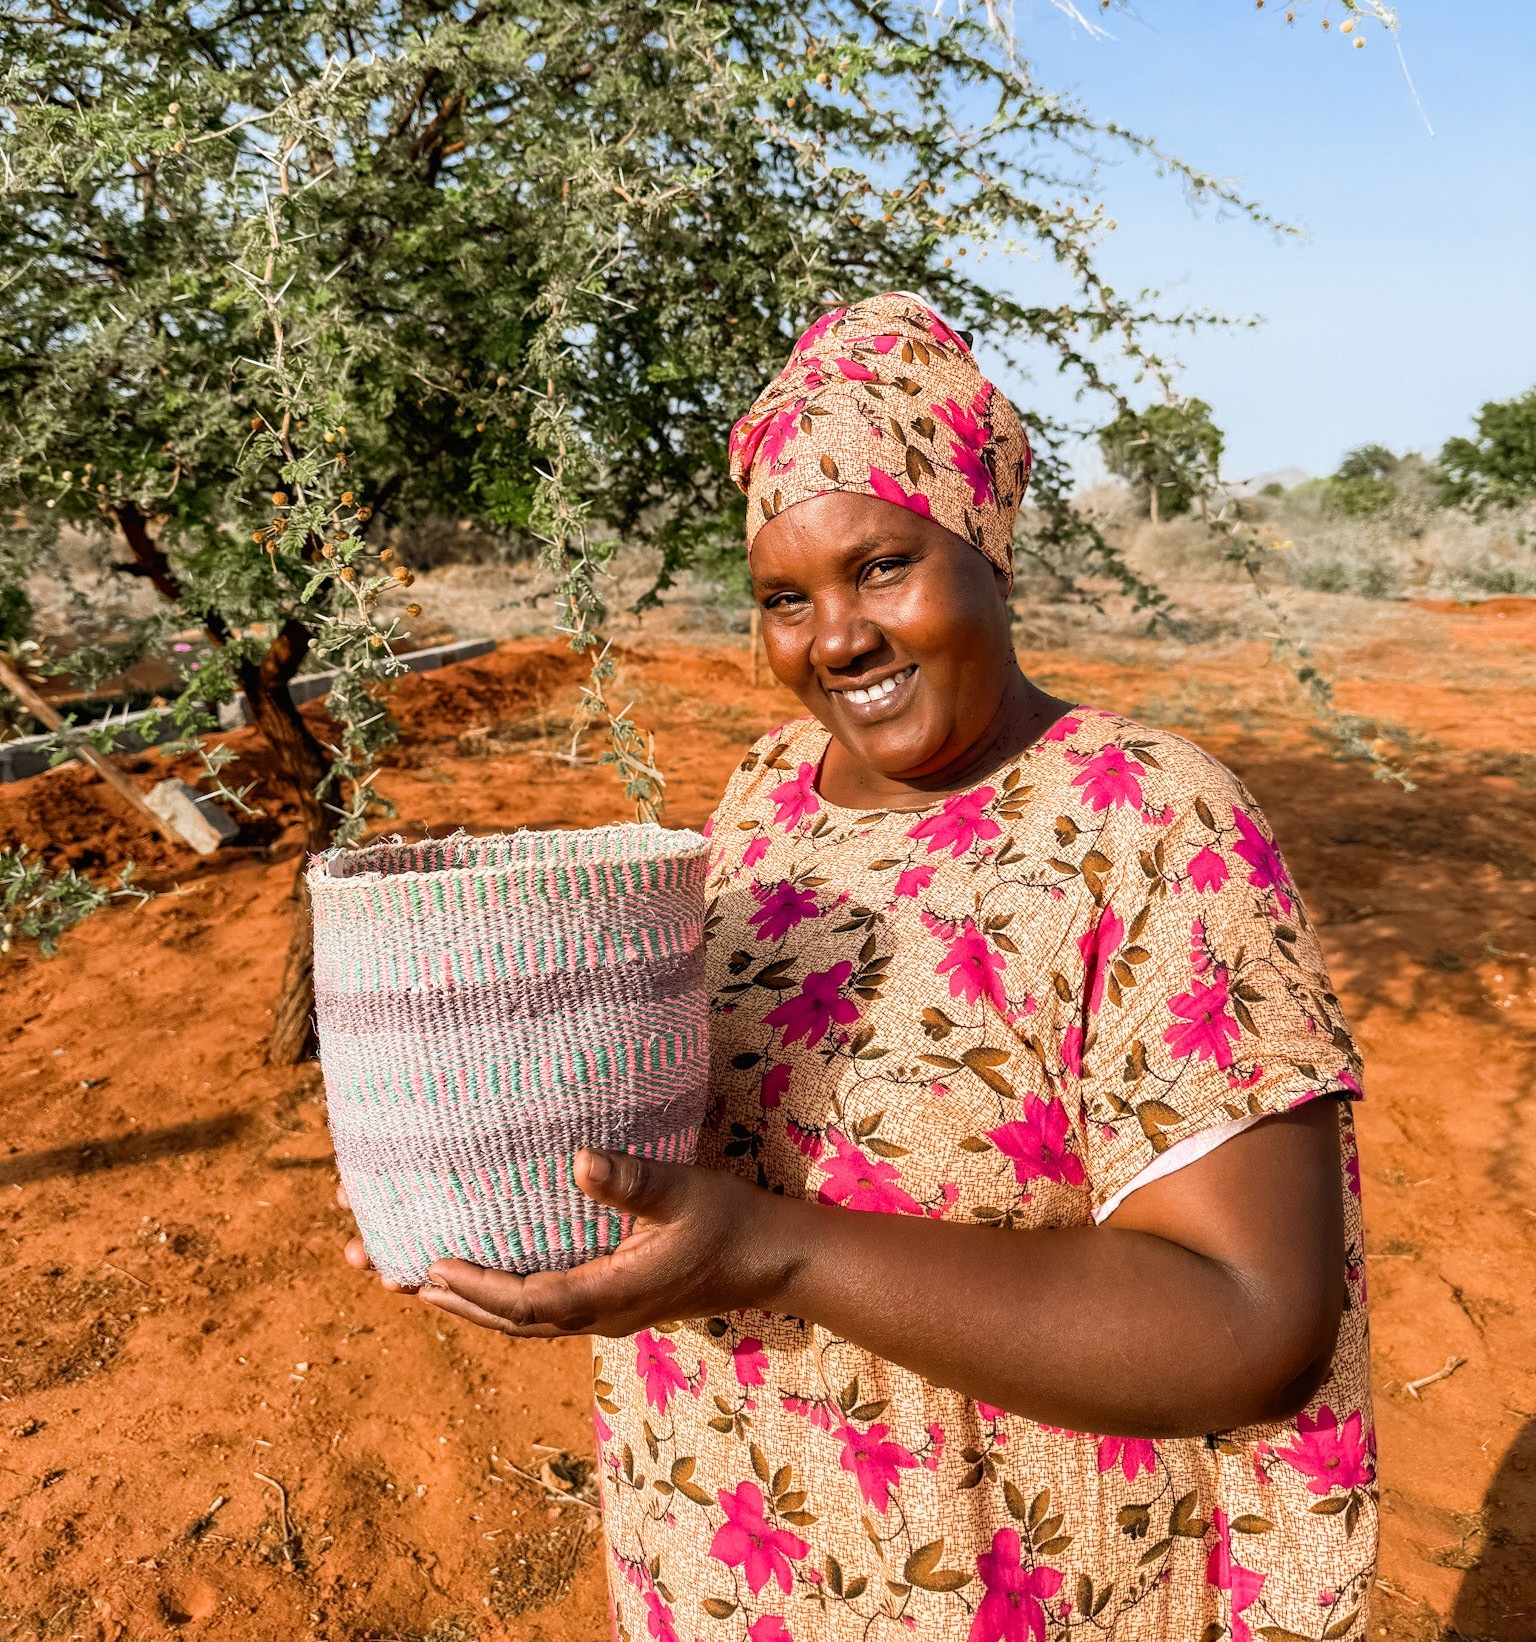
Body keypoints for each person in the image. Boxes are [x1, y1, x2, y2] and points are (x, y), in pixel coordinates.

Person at [345, 292, 1376, 1641]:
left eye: (882, 567)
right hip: (725, 1562)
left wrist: (774, 1254)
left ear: (987, 552)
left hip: (1012, 1585)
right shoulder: (772, 794)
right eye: (786, 596)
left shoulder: (1147, 821)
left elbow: (1251, 1325)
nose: (833, 638)